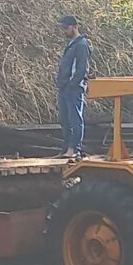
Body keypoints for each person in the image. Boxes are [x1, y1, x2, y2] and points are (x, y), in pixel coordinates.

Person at [55, 15, 91, 159]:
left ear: (75, 27)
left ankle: (74, 148)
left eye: (66, 28)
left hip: (74, 88)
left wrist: (72, 84)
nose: (64, 31)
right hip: (64, 87)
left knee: (75, 119)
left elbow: (81, 69)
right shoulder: (70, 44)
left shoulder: (81, 45)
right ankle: (65, 148)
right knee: (65, 119)